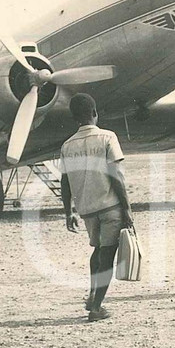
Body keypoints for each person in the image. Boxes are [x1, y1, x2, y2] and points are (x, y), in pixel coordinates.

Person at [60, 93, 134, 323]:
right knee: (108, 255)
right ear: (95, 113)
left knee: (98, 249)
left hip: (87, 209)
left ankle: (94, 294)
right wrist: (127, 209)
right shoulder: (107, 137)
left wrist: (68, 211)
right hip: (110, 205)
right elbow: (116, 177)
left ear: (74, 118)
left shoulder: (67, 145)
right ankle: (97, 307)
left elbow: (64, 182)